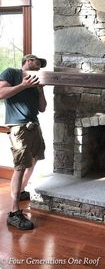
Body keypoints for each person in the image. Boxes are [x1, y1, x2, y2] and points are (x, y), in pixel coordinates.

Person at [0, 54, 47, 230]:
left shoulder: (36, 82)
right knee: (20, 166)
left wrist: (40, 90)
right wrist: (23, 85)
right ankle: (13, 213)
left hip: (34, 125)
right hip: (19, 128)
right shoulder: (11, 73)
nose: (39, 67)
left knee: (34, 159)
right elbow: (1, 93)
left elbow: (42, 108)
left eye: (40, 65)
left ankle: (19, 192)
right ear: (27, 61)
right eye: (37, 62)